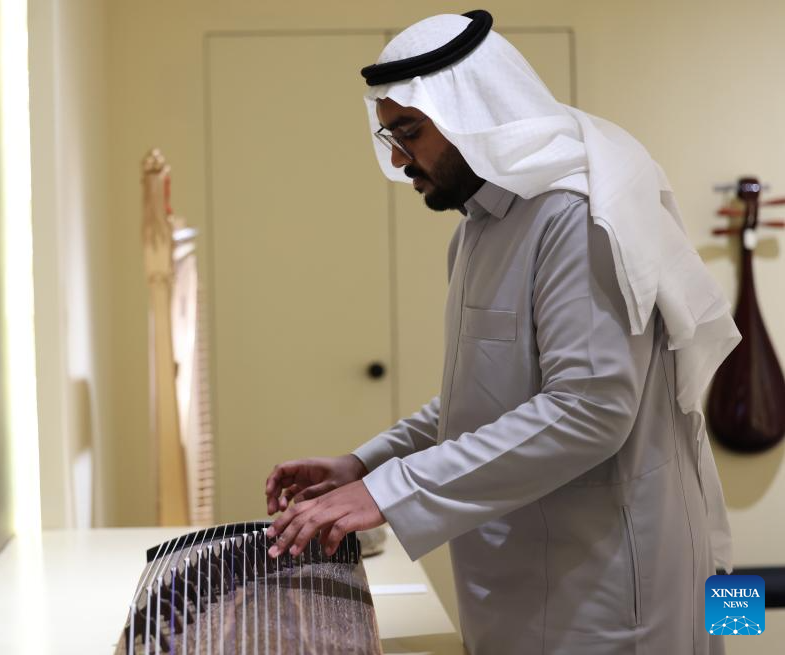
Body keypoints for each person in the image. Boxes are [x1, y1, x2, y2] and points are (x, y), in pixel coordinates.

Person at [263, 10, 741, 655]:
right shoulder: (478, 231)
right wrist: (367, 462)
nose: (399, 159)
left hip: (606, 594)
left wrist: (390, 491)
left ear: (475, 113)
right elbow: (488, 397)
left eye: (410, 132)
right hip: (523, 580)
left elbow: (590, 410)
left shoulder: (574, 219)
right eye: (390, 137)